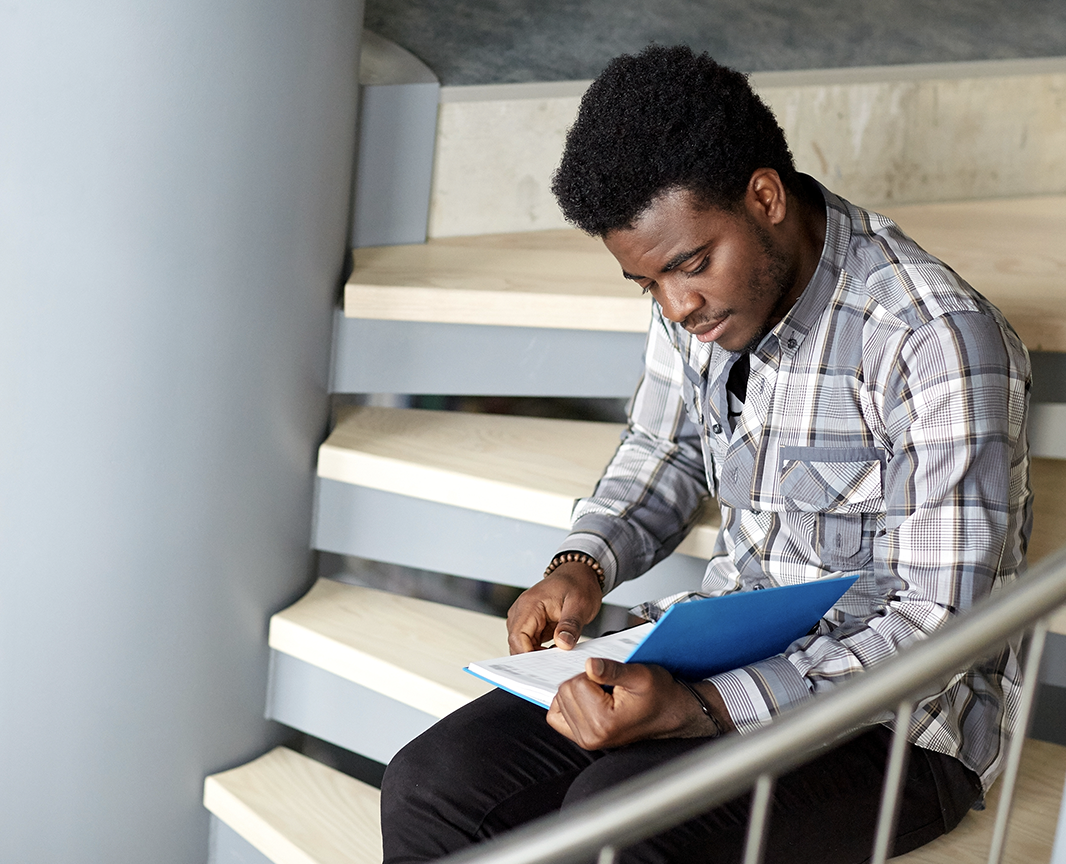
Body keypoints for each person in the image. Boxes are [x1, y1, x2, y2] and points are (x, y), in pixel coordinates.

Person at [381, 44, 1032, 864]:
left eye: (689, 268)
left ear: (764, 197)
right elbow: (666, 448)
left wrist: (706, 710)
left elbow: (940, 628)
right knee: (430, 786)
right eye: (647, 283)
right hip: (713, 654)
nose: (675, 305)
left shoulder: (932, 338)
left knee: (619, 822)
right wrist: (584, 562)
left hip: (901, 728)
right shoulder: (698, 295)